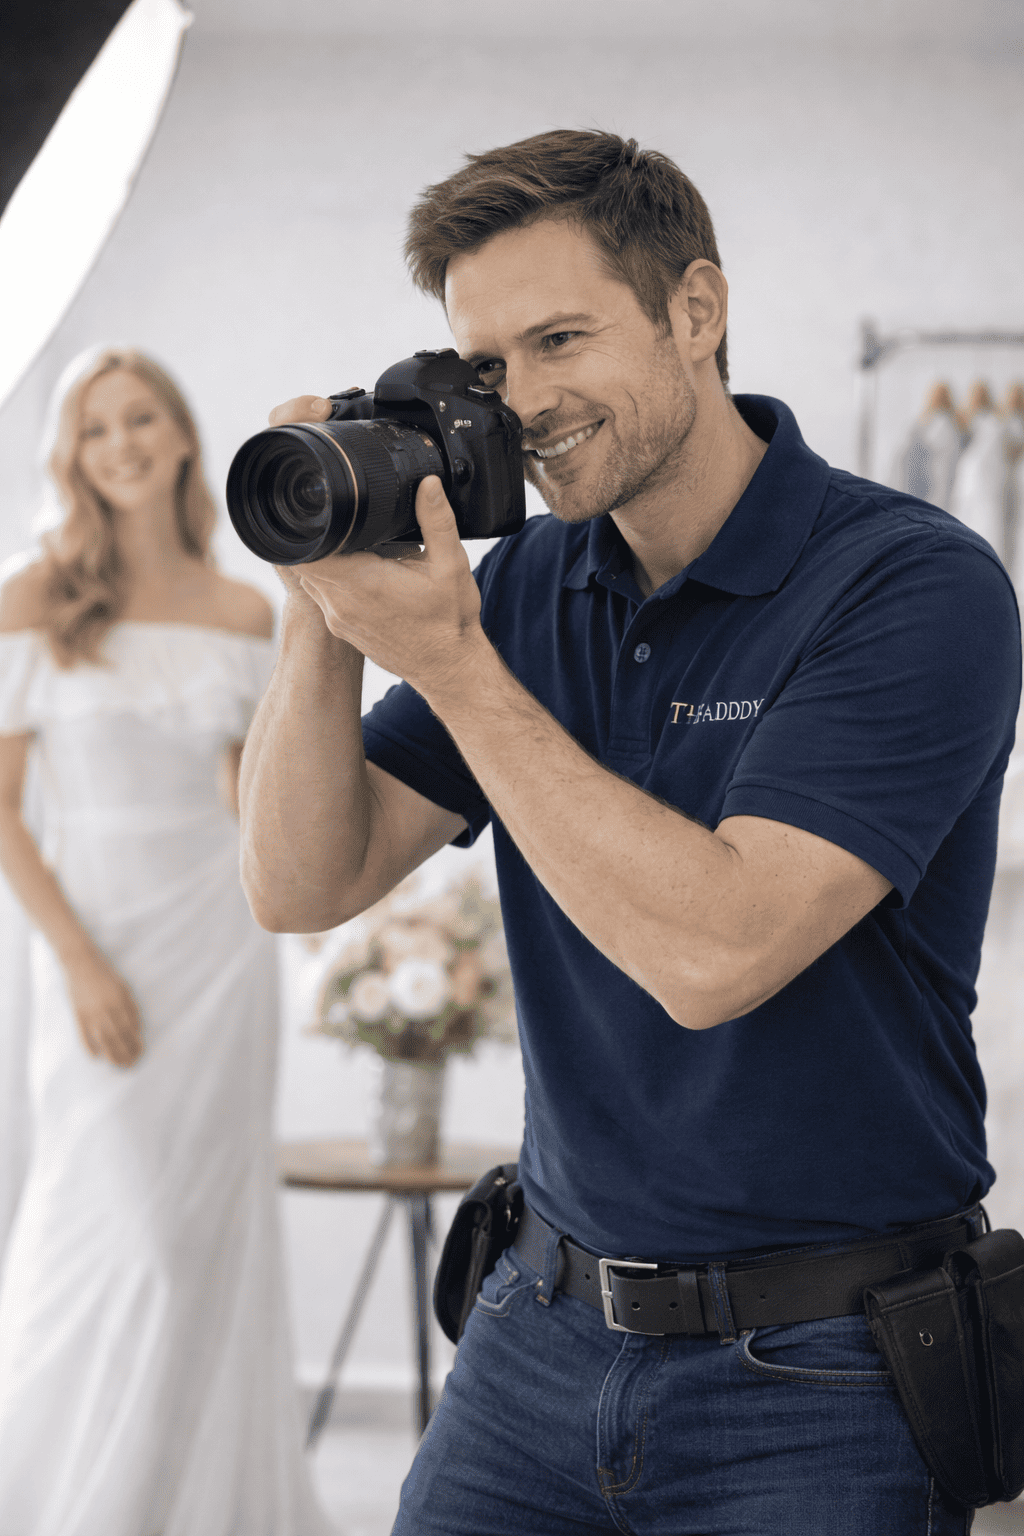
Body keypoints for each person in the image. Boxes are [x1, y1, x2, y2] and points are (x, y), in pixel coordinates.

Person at [239, 131, 1021, 1534]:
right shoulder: (529, 585)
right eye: (486, 368)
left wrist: (458, 669)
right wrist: (326, 613)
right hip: (536, 1329)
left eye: (560, 340)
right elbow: (302, 881)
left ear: (697, 311)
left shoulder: (914, 585)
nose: (522, 403)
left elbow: (719, 953)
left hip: (823, 1371)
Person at [0, 348, 333, 1535]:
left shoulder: (242, 606)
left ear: (184, 437)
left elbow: (257, 807)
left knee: (198, 1239)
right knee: (118, 1236)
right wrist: (76, 961)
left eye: (142, 419)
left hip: (217, 950)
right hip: (96, 948)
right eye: (96, 430)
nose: (123, 444)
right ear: (71, 458)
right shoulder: (32, 596)